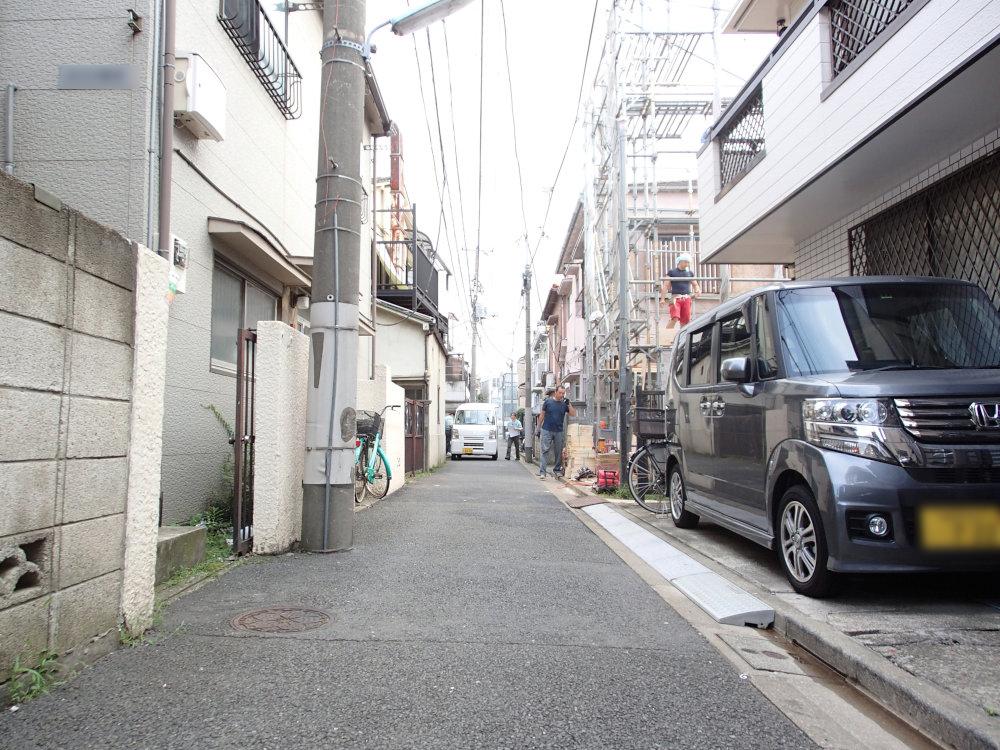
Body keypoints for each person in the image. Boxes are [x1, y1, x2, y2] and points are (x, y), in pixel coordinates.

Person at [535, 385, 576, 478]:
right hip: (546, 430)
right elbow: (542, 415)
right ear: (556, 392)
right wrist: (538, 427)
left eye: (563, 393)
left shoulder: (564, 404)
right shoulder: (548, 402)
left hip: (559, 431)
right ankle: (542, 472)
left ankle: (557, 470)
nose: (562, 395)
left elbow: (573, 414)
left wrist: (569, 404)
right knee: (545, 450)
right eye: (560, 393)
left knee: (558, 452)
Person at [665, 253, 700, 327]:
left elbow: (695, 284)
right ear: (680, 261)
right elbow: (665, 285)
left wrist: (697, 290)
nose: (687, 264)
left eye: (688, 262)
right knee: (675, 317)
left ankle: (683, 336)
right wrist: (662, 298)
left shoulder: (689, 273)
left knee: (685, 320)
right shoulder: (672, 272)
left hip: (686, 298)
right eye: (686, 262)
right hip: (675, 297)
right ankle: (667, 334)